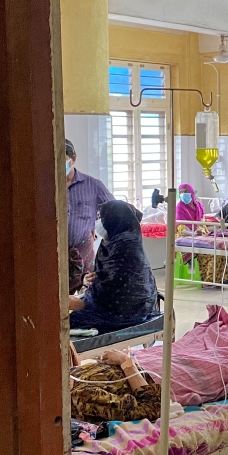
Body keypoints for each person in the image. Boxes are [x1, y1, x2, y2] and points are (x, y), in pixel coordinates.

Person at [69, 200, 158, 334]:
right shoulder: (127, 241)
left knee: (66, 320)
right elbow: (115, 278)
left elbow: (116, 295)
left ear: (113, 220)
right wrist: (92, 278)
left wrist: (83, 303)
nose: (98, 223)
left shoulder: (121, 247)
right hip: (142, 307)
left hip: (123, 314)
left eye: (101, 218)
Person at [66, 139, 114, 293]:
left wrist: (99, 228)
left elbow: (114, 210)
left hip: (83, 251)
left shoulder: (92, 185)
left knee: (85, 297)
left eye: (63, 161)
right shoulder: (46, 185)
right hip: (54, 253)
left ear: (73, 159)